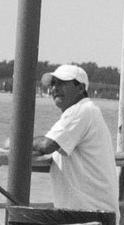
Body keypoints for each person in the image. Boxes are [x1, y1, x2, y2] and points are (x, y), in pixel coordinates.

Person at [31, 64, 119, 216]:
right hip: (92, 215)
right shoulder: (86, 112)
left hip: (91, 216)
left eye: (62, 83)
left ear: (81, 88)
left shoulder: (82, 110)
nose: (55, 89)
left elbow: (47, 145)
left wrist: (16, 143)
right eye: (53, 84)